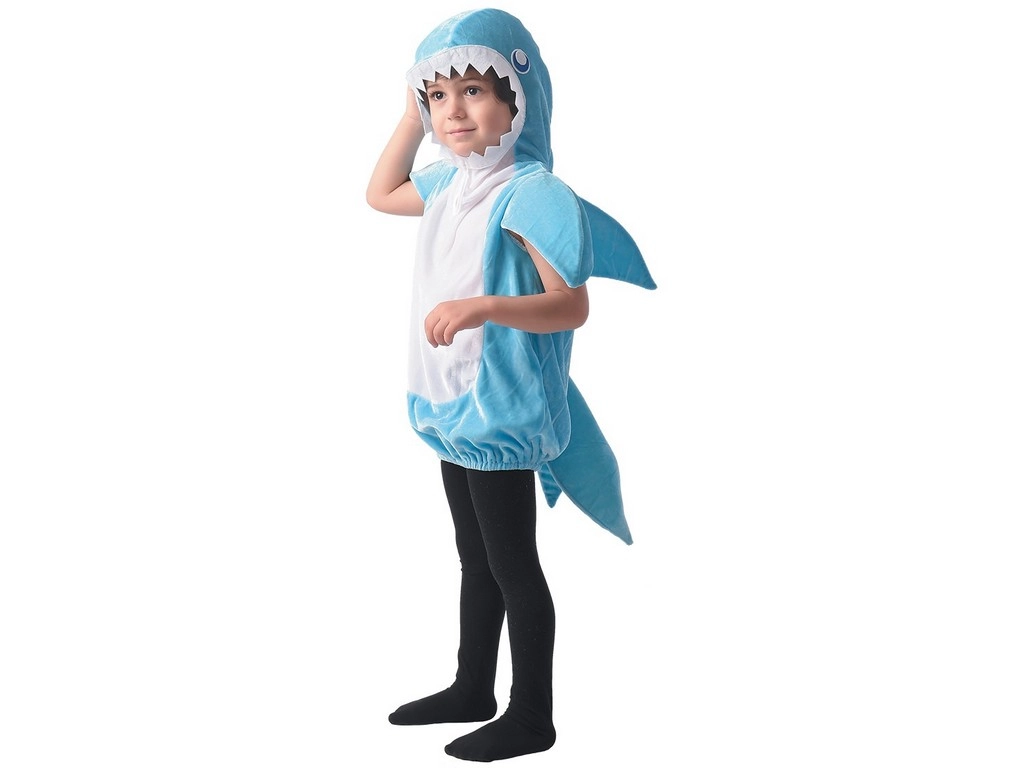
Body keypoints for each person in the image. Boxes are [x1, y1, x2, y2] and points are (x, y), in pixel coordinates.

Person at [365, 8, 655, 762]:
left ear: (518, 100)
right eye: (438, 96)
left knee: (512, 564)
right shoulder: (449, 181)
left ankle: (532, 716)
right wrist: (409, 113)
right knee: (475, 557)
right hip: (449, 402)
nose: (453, 111)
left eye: (473, 91)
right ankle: (473, 686)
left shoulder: (532, 192)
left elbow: (572, 305)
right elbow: (380, 193)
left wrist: (483, 307)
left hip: (499, 407)